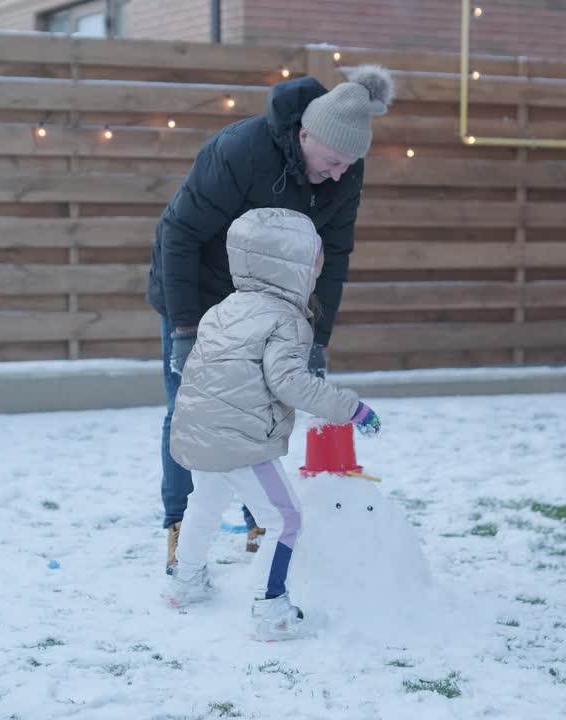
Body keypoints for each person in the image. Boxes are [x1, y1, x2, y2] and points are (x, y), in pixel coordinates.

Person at [147, 65, 395, 571]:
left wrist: (316, 342)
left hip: (272, 308)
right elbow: (178, 235)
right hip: (199, 295)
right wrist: (185, 331)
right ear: (306, 134)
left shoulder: (344, 164)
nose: (341, 174)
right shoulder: (240, 150)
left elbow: (336, 256)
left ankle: (260, 526)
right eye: (332, 162)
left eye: (350, 165)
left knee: (259, 415)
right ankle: (178, 526)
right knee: (192, 414)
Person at [161, 207, 383, 640]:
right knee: (286, 519)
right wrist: (352, 408)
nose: (318, 273)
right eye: (315, 264)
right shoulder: (286, 321)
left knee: (203, 506)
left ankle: (184, 583)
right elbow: (292, 384)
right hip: (240, 441)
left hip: (200, 435)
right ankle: (271, 608)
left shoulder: (222, 310)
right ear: (293, 268)